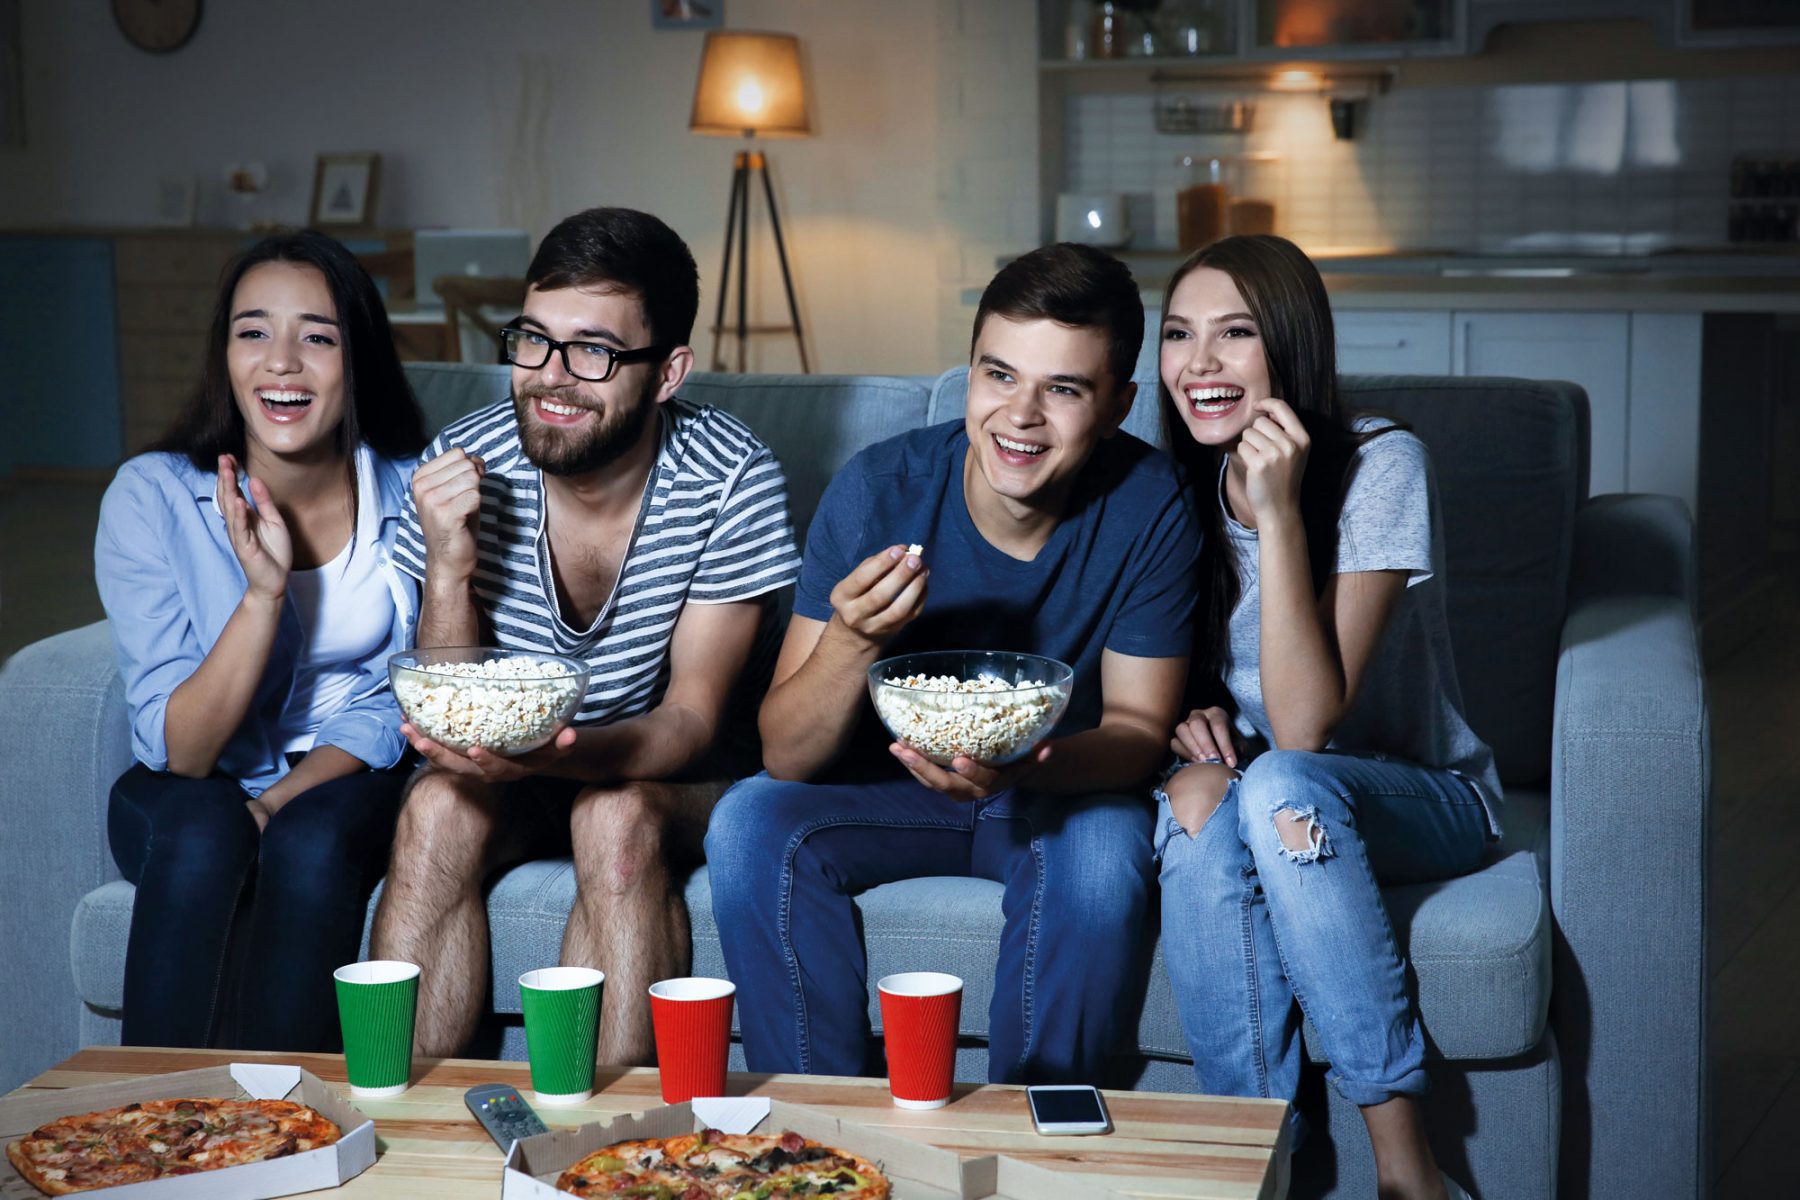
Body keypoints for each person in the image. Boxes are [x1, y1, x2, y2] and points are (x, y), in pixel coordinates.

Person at [705, 243, 1200, 1084]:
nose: (1021, 415)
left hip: (1057, 789)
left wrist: (1026, 765)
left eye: (1065, 389)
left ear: (1118, 405)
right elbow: (785, 754)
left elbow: (1139, 730)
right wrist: (852, 643)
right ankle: (818, 1128)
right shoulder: (878, 490)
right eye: (999, 376)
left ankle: (1033, 1144)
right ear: (968, 373)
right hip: (888, 789)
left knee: (1102, 858)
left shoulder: (1152, 504)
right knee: (748, 820)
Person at [372, 206, 800, 1064]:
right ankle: (398, 1132)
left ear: (669, 371)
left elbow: (690, 724)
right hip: (519, 764)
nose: (551, 379)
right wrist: (450, 564)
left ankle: (610, 1153)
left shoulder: (731, 479)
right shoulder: (467, 458)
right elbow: (457, 713)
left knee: (614, 817)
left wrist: (548, 755)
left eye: (594, 352)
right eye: (532, 340)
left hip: (679, 771)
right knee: (432, 807)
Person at [1152, 234, 1500, 1200]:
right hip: (1268, 790)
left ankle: (1406, 1169)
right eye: (1179, 335)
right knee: (1196, 830)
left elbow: (1306, 725)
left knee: (1279, 783)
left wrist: (1279, 513)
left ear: (1292, 348)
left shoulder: (1384, 464)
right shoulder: (1169, 483)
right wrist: (1187, 724)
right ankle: (1255, 1170)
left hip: (1424, 798)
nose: (1200, 363)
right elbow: (1156, 668)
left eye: (1235, 334)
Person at [95, 229, 428, 1051]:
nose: (282, 362)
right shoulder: (153, 496)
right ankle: (147, 1128)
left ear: (359, 359)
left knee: (310, 842)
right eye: (254, 331)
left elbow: (402, 695)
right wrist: (263, 592)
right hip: (192, 776)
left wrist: (278, 803)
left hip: (342, 772)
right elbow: (183, 752)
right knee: (207, 828)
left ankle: (292, 1126)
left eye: (317, 336)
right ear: (225, 356)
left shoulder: (416, 491)